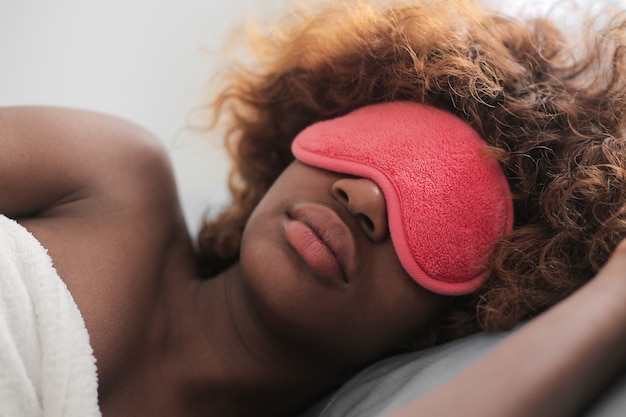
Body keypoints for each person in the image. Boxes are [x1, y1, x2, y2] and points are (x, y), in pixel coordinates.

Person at [0, 1, 625, 417]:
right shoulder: (109, 174)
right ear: (308, 126)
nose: (364, 198)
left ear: (461, 318)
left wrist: (610, 303)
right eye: (381, 142)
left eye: (443, 211)